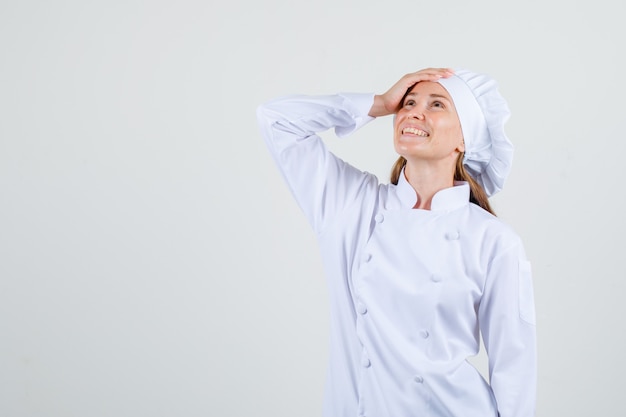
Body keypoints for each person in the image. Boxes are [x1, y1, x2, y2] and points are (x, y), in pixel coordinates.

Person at [256, 68, 536, 417]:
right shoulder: (351, 205)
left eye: (437, 104)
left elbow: (515, 367)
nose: (413, 111)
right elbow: (277, 119)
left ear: (465, 139)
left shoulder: (494, 240)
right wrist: (377, 103)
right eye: (408, 102)